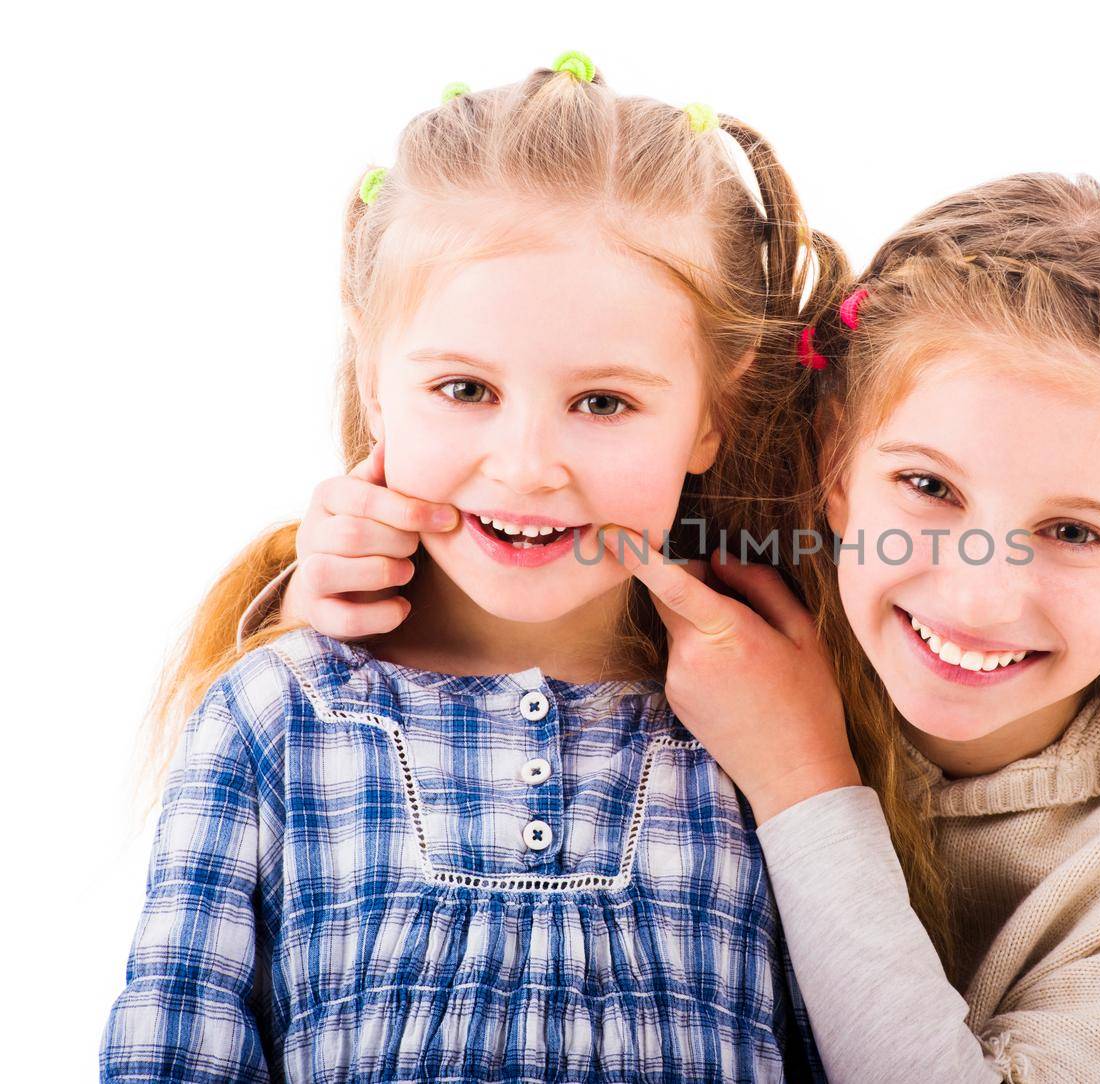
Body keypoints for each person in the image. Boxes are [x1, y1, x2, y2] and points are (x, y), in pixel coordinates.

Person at [250, 174, 1100, 1082]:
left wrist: (801, 777)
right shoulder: (728, 619)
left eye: (1073, 533)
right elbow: (536, 474)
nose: (971, 589)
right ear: (838, 473)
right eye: (927, 489)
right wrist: (364, 592)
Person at [101, 51, 848, 1083]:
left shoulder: (769, 726)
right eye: (463, 388)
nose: (529, 465)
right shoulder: (273, 718)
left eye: (604, 402)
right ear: (374, 375)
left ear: (714, 410)